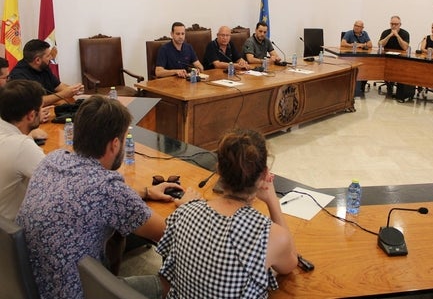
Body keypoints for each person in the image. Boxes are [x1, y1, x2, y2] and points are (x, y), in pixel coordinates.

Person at [15, 96, 189, 299]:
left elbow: (90, 196)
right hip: (76, 292)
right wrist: (187, 206)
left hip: (34, 282)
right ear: (115, 144)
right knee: (172, 282)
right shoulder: (108, 188)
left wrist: (147, 192)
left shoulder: (53, 159)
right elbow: (165, 234)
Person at [157, 128, 298, 298]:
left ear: (219, 171)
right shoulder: (270, 235)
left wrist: (190, 205)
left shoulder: (185, 212)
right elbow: (290, 264)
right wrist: (272, 200)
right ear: (264, 175)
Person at [0, 80, 45, 220]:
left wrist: (30, 134)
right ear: (31, 115)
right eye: (41, 109)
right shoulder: (22, 146)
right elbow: (57, 182)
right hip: (13, 232)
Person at [9, 39, 83, 105]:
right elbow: (34, 102)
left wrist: (75, 89)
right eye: (48, 56)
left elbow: (58, 86)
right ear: (37, 60)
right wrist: (63, 94)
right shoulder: (18, 76)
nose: (51, 58)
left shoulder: (43, 67)